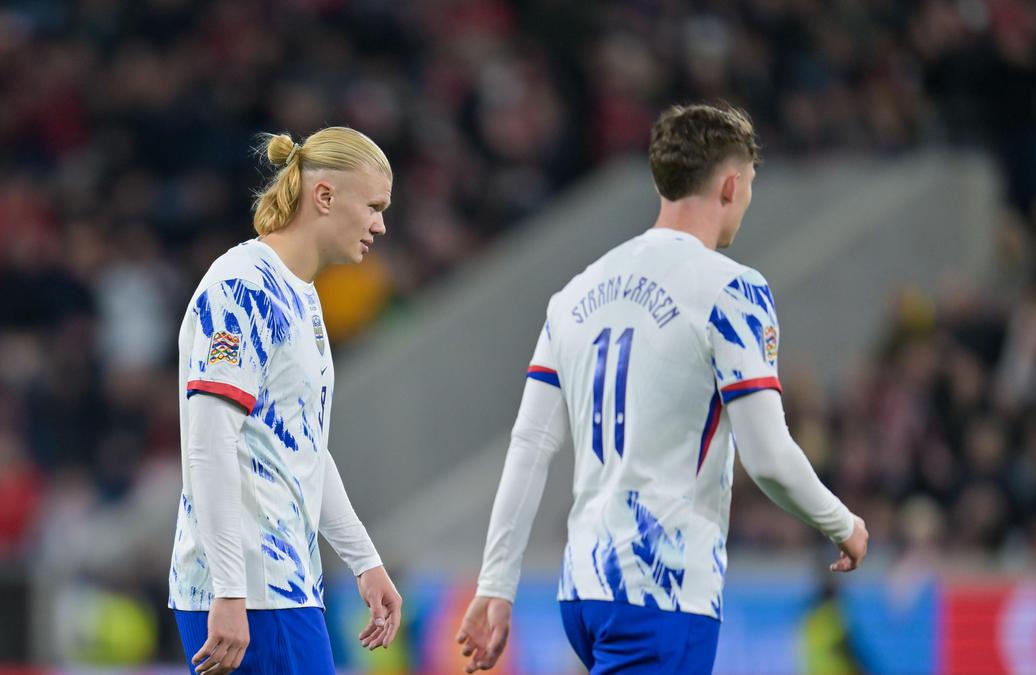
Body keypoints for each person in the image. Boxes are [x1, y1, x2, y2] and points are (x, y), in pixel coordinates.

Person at [457, 104, 869, 674]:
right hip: (661, 589)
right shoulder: (732, 291)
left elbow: (529, 446)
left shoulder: (575, 293)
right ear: (730, 184)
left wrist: (497, 583)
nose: (747, 200)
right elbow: (769, 457)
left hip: (584, 589)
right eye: (749, 184)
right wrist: (841, 523)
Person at [169, 127, 402, 675]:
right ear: (324, 196)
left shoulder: (301, 296)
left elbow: (303, 447)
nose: (380, 224)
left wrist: (365, 562)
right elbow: (208, 446)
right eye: (372, 206)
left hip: (280, 585)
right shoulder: (241, 287)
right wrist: (231, 592)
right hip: (251, 592)